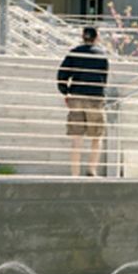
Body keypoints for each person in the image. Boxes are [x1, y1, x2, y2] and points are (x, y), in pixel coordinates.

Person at [56, 25, 110, 177]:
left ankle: (75, 174)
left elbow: (62, 75)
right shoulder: (102, 55)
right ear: (97, 37)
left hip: (76, 97)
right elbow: (104, 78)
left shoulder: (74, 53)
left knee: (76, 138)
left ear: (82, 37)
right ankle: (91, 170)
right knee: (97, 136)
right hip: (95, 98)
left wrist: (66, 92)